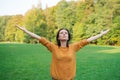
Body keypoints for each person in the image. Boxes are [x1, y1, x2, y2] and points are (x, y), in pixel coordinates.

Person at [15, 25, 110, 80]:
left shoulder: (74, 47)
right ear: (58, 37)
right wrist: (26, 31)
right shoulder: (53, 47)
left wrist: (101, 34)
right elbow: (39, 38)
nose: (64, 34)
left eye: (66, 33)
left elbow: (88, 40)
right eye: (61, 33)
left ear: (68, 37)